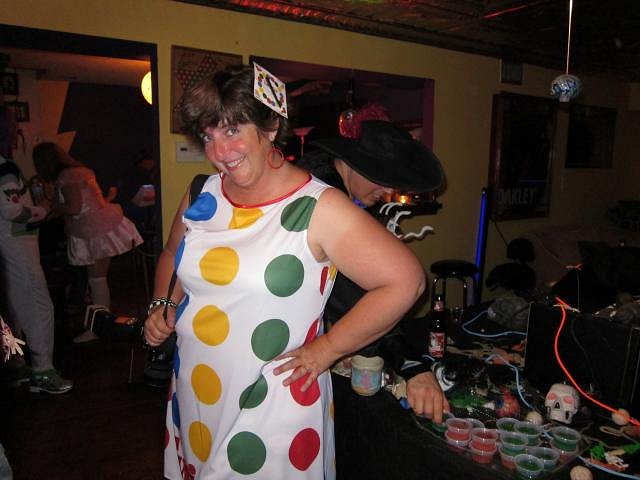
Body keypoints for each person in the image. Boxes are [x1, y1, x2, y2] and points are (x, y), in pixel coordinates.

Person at [143, 64, 425, 480]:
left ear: (271, 127)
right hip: (199, 390)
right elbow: (172, 253)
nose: (219, 150)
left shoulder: (318, 207)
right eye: (208, 135)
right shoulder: (202, 192)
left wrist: (326, 350)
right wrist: (165, 302)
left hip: (272, 405)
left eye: (232, 130)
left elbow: (405, 282)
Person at [298, 117, 449, 418]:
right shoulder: (326, 198)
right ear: (352, 163)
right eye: (383, 178)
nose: (390, 190)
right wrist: (412, 366)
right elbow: (357, 297)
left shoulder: (322, 181)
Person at [32, 142, 143, 343]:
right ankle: (102, 325)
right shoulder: (80, 171)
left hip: (92, 230)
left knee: (97, 281)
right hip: (100, 225)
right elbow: (91, 201)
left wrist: (54, 207)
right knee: (99, 280)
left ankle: (98, 329)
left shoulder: (67, 176)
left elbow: (75, 207)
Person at [0, 106, 73, 394]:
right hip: (17, 245)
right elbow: (11, 210)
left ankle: (17, 366)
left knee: (14, 310)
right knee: (39, 306)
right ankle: (43, 371)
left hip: (10, 245)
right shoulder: (5, 167)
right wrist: (39, 211)